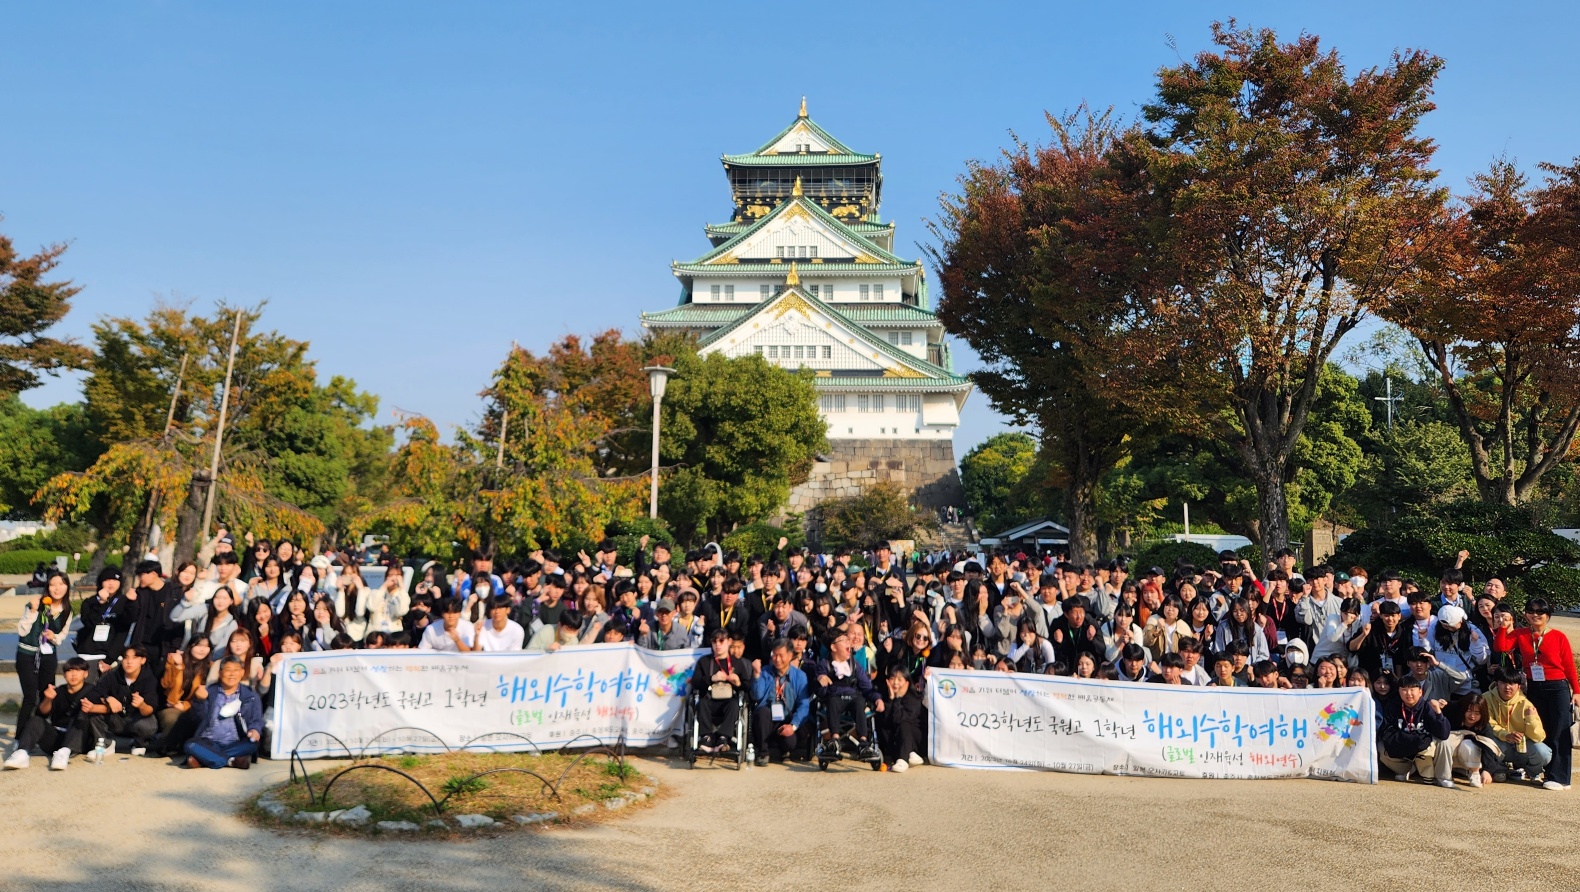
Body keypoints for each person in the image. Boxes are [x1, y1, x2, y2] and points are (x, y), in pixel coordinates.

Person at [1492, 598, 1577, 791]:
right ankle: (1545, 772)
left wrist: (1576, 691)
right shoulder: (1521, 634)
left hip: (1557, 686)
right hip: (1534, 686)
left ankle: (1560, 777)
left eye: (1540, 612)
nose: (1535, 615)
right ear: (1525, 614)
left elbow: (1569, 666)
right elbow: (1502, 647)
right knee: (1540, 729)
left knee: (1559, 730)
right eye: (1531, 611)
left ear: (1548, 616)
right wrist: (1503, 627)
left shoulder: (1558, 636)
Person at [4, 657, 91, 771]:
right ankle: (22, 753)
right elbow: (42, 713)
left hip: (79, 739)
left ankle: (64, 753)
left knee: (80, 717)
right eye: (69, 671)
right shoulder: (58, 691)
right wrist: (48, 699)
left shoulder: (92, 691)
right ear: (64, 675)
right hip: (56, 737)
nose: (73, 674)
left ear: (85, 674)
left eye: (78, 670)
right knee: (36, 720)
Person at [76, 645, 160, 759]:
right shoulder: (113, 675)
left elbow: (151, 708)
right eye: (126, 658)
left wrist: (142, 705)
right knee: (92, 711)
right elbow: (94, 693)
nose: (129, 662)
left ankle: (141, 742)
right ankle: (106, 744)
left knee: (149, 724)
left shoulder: (149, 679)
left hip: (136, 720)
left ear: (142, 660)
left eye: (134, 658)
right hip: (116, 719)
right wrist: (108, 698)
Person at [812, 632, 883, 762]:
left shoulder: (854, 665)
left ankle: (863, 742)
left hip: (853, 696)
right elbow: (820, 693)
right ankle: (835, 739)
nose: (848, 643)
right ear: (833, 647)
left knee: (860, 702)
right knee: (832, 702)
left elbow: (867, 687)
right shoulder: (824, 665)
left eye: (847, 640)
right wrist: (820, 680)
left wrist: (877, 698)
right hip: (834, 697)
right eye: (844, 640)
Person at [16, 569, 73, 731]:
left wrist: (53, 636)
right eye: (53, 584)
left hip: (48, 656)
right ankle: (20, 737)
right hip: (27, 654)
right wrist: (33, 611)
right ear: (47, 586)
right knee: (30, 697)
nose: (57, 588)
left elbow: (62, 636)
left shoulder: (67, 609)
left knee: (46, 694)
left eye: (61, 584)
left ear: (67, 587)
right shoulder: (37, 602)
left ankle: (38, 732)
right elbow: (22, 631)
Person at [183, 658, 265, 769]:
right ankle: (231, 761)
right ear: (220, 673)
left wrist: (254, 730)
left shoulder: (250, 695)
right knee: (190, 745)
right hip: (209, 741)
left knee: (252, 744)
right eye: (228, 670)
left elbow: (257, 720)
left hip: (236, 742)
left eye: (236, 670)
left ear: (242, 673)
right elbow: (197, 718)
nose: (232, 674)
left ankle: (205, 759)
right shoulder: (209, 692)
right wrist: (199, 700)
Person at [1377, 674, 1453, 788]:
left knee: (1445, 742)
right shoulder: (1393, 706)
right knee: (1381, 747)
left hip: (1424, 744)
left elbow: (1443, 733)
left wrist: (1438, 711)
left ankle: (1443, 777)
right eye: (1404, 690)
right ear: (1399, 691)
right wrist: (1408, 738)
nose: (1408, 694)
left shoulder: (1427, 707)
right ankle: (1406, 770)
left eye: (1412, 690)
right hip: (1404, 743)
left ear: (1420, 692)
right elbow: (1386, 731)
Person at [1481, 666, 1552, 783]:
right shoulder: (1486, 698)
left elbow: (1539, 737)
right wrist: (1506, 735)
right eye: (1503, 682)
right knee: (1488, 742)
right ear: (1496, 683)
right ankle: (1500, 769)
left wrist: (1530, 719)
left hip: (1521, 746)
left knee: (1543, 752)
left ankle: (1533, 772)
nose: (1507, 687)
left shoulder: (1526, 704)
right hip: (1501, 742)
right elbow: (1488, 723)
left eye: (1512, 683)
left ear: (1518, 686)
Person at [749, 640, 811, 766]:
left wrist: (793, 726)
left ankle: (784, 751)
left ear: (790, 655)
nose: (777, 659)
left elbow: (804, 705)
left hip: (787, 719)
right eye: (774, 655)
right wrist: (756, 675)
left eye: (780, 655)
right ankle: (763, 753)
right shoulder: (765, 671)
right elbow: (757, 695)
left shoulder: (800, 676)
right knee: (762, 712)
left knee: (790, 742)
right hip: (768, 720)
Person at [154, 637, 214, 755]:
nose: (202, 649)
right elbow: (165, 685)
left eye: (206, 646)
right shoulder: (175, 660)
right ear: (190, 646)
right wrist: (177, 667)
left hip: (194, 706)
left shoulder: (210, 668)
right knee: (172, 717)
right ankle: (167, 745)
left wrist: (185, 706)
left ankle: (186, 745)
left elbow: (204, 695)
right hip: (169, 705)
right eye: (198, 645)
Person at [690, 630, 746, 754]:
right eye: (714, 641)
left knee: (734, 704)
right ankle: (706, 737)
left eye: (721, 641)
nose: (718, 644)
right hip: (709, 699)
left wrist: (738, 683)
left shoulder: (737, 662)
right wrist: (711, 679)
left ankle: (723, 737)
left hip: (728, 701)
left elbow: (747, 687)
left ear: (729, 642)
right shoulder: (704, 661)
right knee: (701, 703)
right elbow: (695, 683)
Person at [876, 664, 926, 772]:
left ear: (907, 682)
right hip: (899, 740)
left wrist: (897, 698)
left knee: (904, 723)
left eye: (900, 679)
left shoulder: (913, 698)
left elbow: (899, 720)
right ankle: (908, 754)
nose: (895, 683)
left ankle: (903, 760)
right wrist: (890, 700)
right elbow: (886, 721)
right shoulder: (886, 696)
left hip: (916, 739)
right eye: (892, 678)